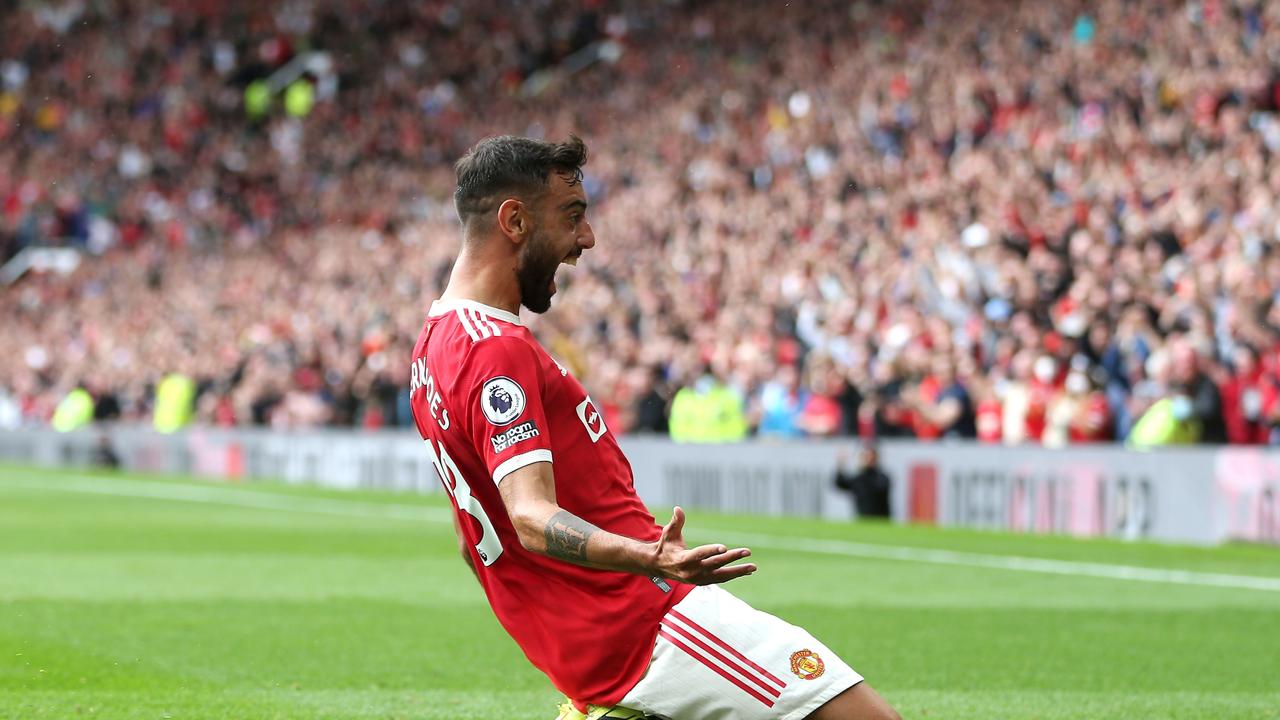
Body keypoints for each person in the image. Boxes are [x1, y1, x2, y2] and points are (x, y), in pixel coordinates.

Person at [409, 135, 898, 720]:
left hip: (598, 641)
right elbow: (531, 519)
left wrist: (563, 635)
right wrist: (650, 560)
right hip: (647, 623)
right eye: (572, 216)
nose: (585, 240)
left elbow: (473, 543)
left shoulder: (431, 349)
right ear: (513, 220)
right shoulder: (495, 350)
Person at [833, 445, 891, 519]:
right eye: (865, 457)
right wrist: (841, 464)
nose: (868, 460)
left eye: (870, 457)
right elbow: (840, 483)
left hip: (880, 520)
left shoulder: (882, 478)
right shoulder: (858, 478)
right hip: (862, 520)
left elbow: (877, 489)